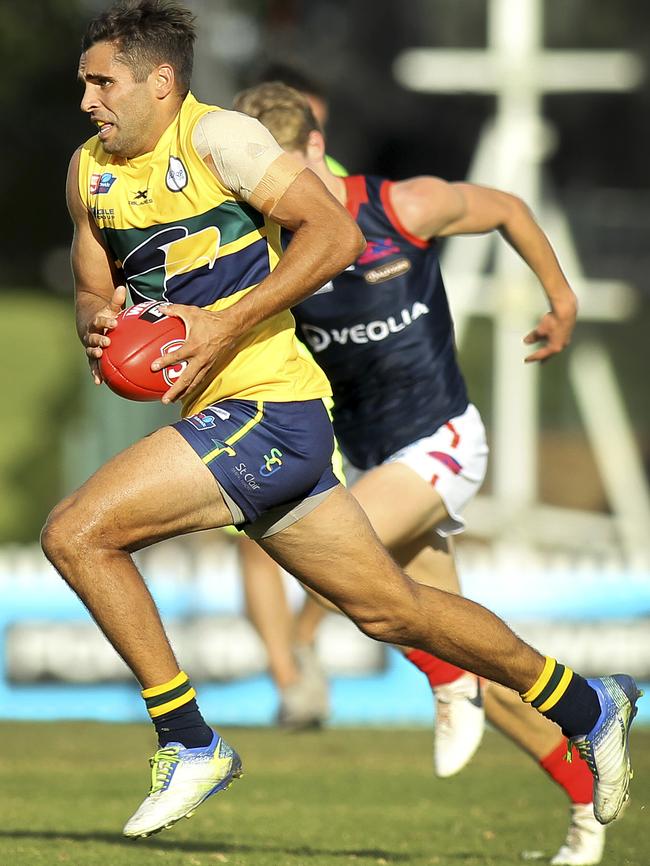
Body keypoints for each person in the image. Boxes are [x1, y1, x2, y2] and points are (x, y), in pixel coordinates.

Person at [44, 0, 640, 843]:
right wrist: (99, 325)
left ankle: (189, 739)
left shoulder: (223, 142)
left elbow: (331, 234)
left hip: (271, 409)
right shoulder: (88, 172)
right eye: (83, 84)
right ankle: (588, 701)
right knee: (396, 610)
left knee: (76, 532)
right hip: (238, 419)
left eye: (103, 82)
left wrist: (224, 322)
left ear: (161, 81)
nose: (88, 100)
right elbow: (91, 287)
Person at [231, 81, 613, 864]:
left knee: (327, 548)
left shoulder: (399, 208)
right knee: (471, 651)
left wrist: (562, 297)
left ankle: (445, 680)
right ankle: (586, 800)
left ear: (312, 149)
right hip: (377, 459)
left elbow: (506, 205)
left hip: (442, 440)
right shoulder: (264, 245)